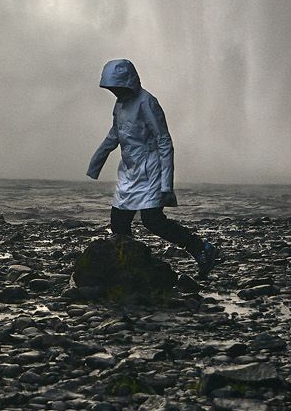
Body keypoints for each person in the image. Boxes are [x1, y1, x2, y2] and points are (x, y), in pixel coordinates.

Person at [86, 58, 221, 278]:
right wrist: (96, 163)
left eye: (117, 86)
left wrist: (166, 184)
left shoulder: (147, 102)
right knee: (118, 222)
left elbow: (164, 141)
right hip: (129, 171)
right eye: (111, 88)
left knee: (153, 220)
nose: (114, 92)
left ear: (127, 82)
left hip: (151, 171)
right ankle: (127, 266)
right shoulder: (119, 104)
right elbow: (115, 134)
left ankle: (202, 249)